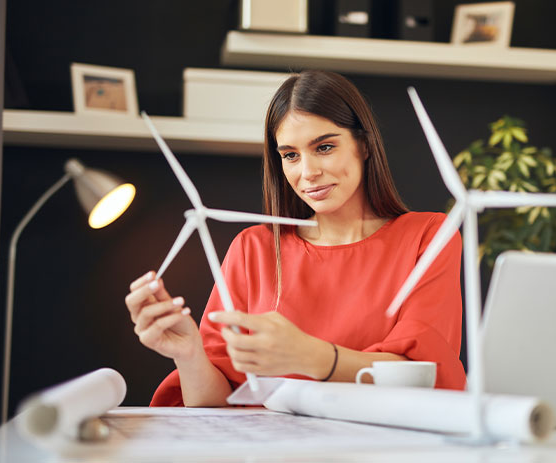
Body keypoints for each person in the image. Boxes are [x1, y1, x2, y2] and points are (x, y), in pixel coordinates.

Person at [124, 70, 466, 407]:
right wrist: (188, 353)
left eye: (325, 147)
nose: (307, 172)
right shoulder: (253, 248)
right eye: (290, 155)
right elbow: (216, 404)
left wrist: (309, 355)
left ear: (364, 145)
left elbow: (425, 377)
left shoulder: (428, 237)